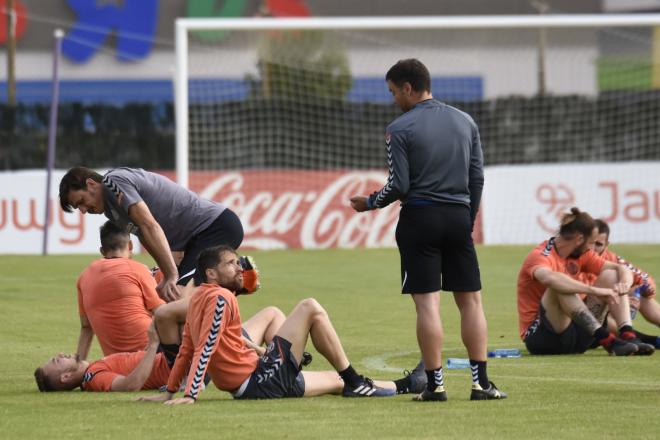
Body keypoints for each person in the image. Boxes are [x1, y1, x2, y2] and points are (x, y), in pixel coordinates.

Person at [349, 58, 505, 401]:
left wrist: (370, 202)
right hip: (457, 218)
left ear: (408, 87)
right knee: (471, 302)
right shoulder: (465, 121)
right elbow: (476, 177)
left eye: (393, 92)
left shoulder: (399, 128)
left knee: (427, 307)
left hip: (420, 219)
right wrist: (469, 217)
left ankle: (435, 386)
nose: (393, 100)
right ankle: (481, 385)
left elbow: (399, 184)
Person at [139, 245, 422, 404]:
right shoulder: (222, 297)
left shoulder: (201, 295)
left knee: (336, 382)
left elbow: (189, 345)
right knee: (310, 306)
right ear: (211, 273)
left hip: (256, 380)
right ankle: (355, 380)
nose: (239, 268)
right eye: (231, 264)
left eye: (238, 262)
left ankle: (406, 384)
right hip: (258, 380)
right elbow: (203, 346)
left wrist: (171, 390)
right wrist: (189, 395)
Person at [58, 166, 255, 302]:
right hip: (197, 238)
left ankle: (235, 278)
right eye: (78, 208)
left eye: (81, 201)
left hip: (215, 227)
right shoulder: (111, 210)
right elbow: (145, 237)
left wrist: (171, 275)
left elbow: (150, 225)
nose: (83, 211)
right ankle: (233, 281)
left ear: (91, 184)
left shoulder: (112, 182)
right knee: (177, 296)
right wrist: (166, 271)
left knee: (180, 295)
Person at [34, 306, 290, 393]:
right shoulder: (92, 379)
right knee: (186, 316)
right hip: (178, 365)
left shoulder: (95, 368)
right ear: (66, 377)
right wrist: (154, 345)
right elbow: (130, 384)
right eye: (56, 362)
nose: (59, 355)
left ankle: (272, 365)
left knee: (271, 314)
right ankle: (276, 367)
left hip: (178, 360)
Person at [517, 207, 654, 356]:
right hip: (543, 339)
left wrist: (624, 285)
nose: (592, 249)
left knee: (610, 275)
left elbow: (621, 268)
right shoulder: (541, 255)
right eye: (591, 243)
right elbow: (549, 278)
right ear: (580, 239)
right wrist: (595, 290)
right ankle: (609, 340)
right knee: (559, 285)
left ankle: (628, 336)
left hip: (579, 337)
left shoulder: (582, 254)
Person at [76, 221, 165, 360]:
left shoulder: (83, 277)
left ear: (102, 251)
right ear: (130, 245)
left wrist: (77, 365)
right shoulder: (138, 269)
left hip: (116, 364)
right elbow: (163, 313)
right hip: (151, 358)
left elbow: (86, 328)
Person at [589, 219, 660, 345]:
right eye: (590, 243)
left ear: (606, 244)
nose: (592, 249)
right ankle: (651, 341)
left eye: (598, 244)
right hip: (584, 319)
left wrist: (641, 291)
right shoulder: (576, 258)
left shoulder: (611, 259)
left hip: (605, 313)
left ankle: (634, 338)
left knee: (642, 295)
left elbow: (643, 277)